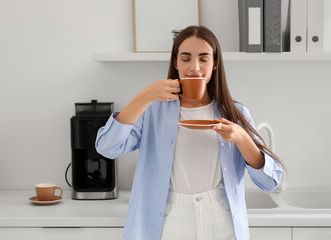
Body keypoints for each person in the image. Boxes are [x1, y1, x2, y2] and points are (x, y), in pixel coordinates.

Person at [95, 25, 285, 240]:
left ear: (215, 64)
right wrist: (145, 96)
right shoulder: (153, 110)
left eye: (204, 59)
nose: (194, 67)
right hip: (169, 221)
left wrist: (241, 138)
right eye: (186, 58)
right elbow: (107, 148)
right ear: (175, 62)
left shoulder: (236, 112)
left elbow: (270, 182)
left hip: (221, 220)